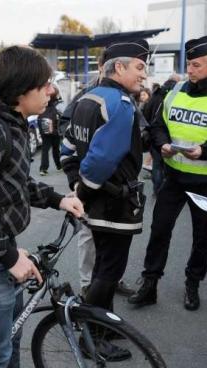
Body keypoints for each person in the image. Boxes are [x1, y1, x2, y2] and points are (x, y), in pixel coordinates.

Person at [0, 45, 83, 368]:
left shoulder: (12, 122)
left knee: (10, 340)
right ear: (21, 92)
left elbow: (13, 182)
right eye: (44, 84)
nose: (51, 90)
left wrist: (58, 199)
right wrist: (8, 256)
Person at [128, 35, 207, 311]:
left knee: (201, 237)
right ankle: (150, 283)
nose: (190, 70)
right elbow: (158, 127)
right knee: (160, 230)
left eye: (196, 65)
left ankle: (192, 284)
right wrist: (163, 145)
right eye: (189, 64)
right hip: (173, 178)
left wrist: (204, 151)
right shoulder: (175, 90)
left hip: (206, 181)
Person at [60, 39, 149, 360]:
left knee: (102, 268)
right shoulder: (120, 103)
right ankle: (92, 338)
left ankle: (105, 328)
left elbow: (67, 147)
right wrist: (83, 189)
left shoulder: (87, 99)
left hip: (94, 202)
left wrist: (76, 185)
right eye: (139, 67)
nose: (144, 74)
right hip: (113, 204)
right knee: (108, 271)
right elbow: (101, 159)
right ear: (120, 67)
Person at [141, 74, 181, 195]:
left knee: (157, 165)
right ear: (177, 82)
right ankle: (168, 190)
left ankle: (157, 190)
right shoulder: (178, 95)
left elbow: (146, 114)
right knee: (170, 165)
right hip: (172, 138)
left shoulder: (156, 94)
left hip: (155, 137)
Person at [37, 87, 62, 176]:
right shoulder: (56, 103)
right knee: (56, 149)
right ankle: (59, 166)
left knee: (45, 149)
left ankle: (43, 169)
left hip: (45, 129)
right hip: (54, 130)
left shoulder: (44, 100)